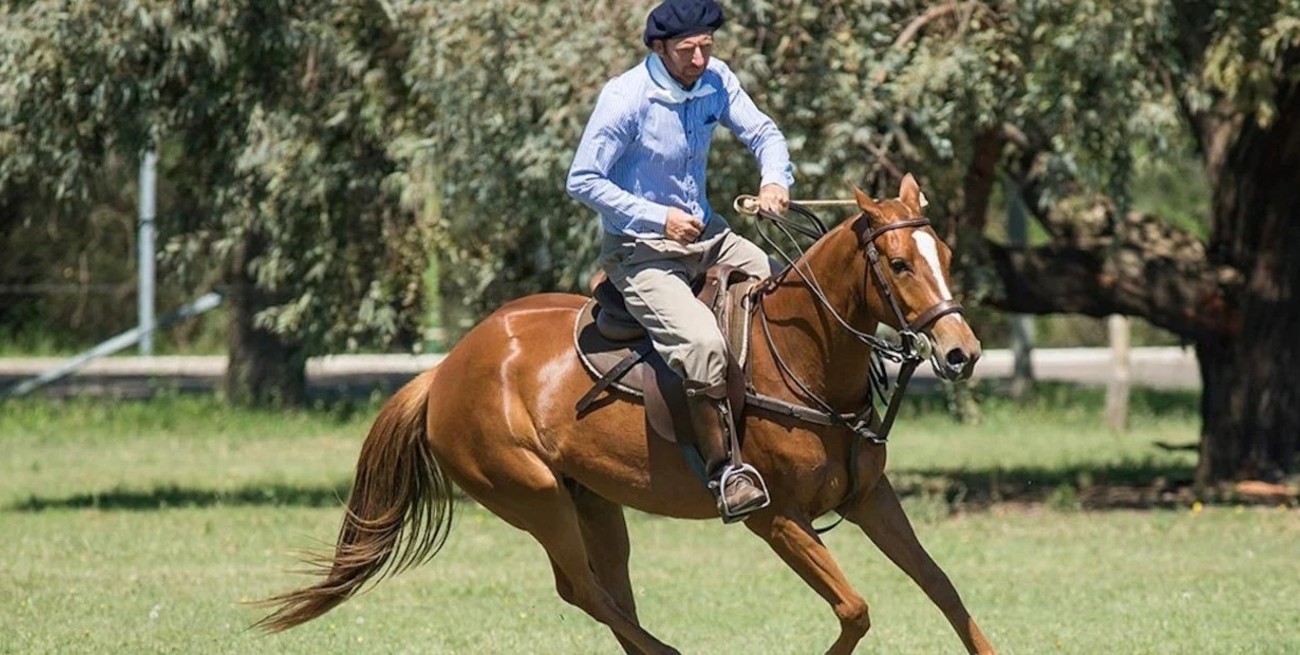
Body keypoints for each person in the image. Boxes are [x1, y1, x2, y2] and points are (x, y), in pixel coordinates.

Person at [566, 0, 793, 521]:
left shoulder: (717, 80)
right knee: (703, 345)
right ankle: (725, 472)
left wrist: (775, 180)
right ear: (659, 48)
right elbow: (582, 179)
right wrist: (656, 217)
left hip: (708, 239)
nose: (698, 60)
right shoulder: (625, 98)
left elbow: (764, 134)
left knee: (778, 292)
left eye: (706, 48)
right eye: (687, 50)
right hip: (640, 252)